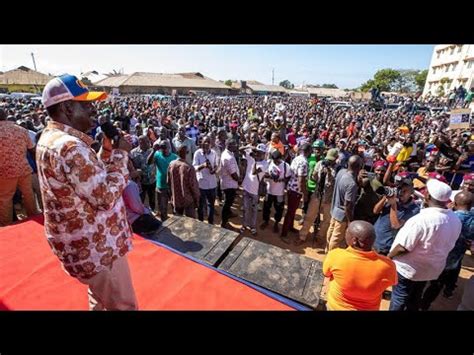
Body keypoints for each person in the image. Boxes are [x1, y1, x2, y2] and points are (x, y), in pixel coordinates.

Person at [36, 74, 137, 310]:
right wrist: (122, 154)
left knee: (99, 300)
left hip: (81, 246)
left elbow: (87, 181)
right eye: (87, 104)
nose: (94, 109)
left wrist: (106, 152)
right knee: (122, 306)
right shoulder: (70, 146)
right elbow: (104, 197)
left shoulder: (52, 138)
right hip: (98, 249)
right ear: (68, 107)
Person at [388, 179, 462, 311]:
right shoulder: (455, 219)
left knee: (400, 297)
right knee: (416, 296)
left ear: (427, 196)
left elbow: (403, 247)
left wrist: (389, 257)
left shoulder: (420, 220)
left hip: (408, 269)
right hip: (431, 269)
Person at [323, 221, 397, 310]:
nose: (345, 234)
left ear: (354, 240)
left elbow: (326, 273)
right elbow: (393, 282)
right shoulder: (388, 265)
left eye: (347, 232)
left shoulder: (336, 256)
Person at [419, 191, 474, 309]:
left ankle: (416, 302)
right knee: (437, 285)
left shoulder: (449, 218)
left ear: (454, 203)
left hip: (436, 257)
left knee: (422, 282)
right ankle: (424, 305)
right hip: (453, 261)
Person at [0, 108, 39, 226]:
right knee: (28, 196)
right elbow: (32, 149)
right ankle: (34, 221)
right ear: (6, 115)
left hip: (5, 171)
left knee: (5, 199)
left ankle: (7, 227)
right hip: (24, 169)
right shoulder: (21, 130)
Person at [296, 148, 338, 245]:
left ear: (336, 159)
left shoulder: (338, 168)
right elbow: (314, 178)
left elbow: (335, 182)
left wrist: (328, 171)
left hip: (329, 198)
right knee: (309, 216)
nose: (329, 161)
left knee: (327, 220)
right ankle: (302, 236)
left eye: (332, 160)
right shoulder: (320, 164)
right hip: (317, 195)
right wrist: (315, 172)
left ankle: (320, 236)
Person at [325, 155, 363, 253]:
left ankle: (327, 248)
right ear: (359, 167)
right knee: (337, 237)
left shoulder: (341, 172)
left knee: (331, 229)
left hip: (334, 208)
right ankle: (331, 254)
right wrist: (350, 220)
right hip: (342, 214)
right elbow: (348, 205)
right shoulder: (351, 184)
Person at [373, 179, 420, 255]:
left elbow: (395, 225)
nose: (401, 193)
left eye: (405, 191)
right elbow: (375, 211)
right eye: (400, 189)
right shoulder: (394, 199)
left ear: (411, 192)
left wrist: (393, 205)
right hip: (372, 239)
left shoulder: (414, 209)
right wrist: (385, 197)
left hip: (383, 247)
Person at [280, 143, 311, 243]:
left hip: (291, 187)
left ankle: (290, 227)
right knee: (290, 211)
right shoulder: (304, 162)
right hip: (296, 189)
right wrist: (305, 194)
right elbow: (301, 180)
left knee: (292, 210)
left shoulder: (296, 158)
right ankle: (284, 233)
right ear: (308, 151)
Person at [261, 150, 291, 234]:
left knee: (279, 209)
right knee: (266, 207)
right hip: (269, 190)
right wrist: (269, 177)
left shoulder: (286, 166)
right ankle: (266, 221)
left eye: (277, 160)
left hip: (279, 192)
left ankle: (276, 223)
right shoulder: (269, 163)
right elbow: (265, 174)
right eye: (274, 160)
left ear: (280, 158)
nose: (275, 162)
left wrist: (281, 180)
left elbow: (288, 177)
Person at [123, 169, 162, 234]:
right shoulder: (129, 185)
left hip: (127, 221)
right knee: (161, 229)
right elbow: (137, 207)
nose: (138, 171)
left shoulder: (114, 183)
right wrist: (146, 211)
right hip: (135, 219)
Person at [240, 143, 268, 235]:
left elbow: (253, 172)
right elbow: (240, 149)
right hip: (246, 187)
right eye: (258, 152)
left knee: (254, 210)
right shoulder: (251, 157)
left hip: (255, 191)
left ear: (264, 154)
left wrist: (255, 160)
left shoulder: (264, 163)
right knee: (245, 208)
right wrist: (249, 147)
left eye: (261, 153)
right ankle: (244, 225)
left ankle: (252, 226)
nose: (259, 154)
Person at [148, 140, 177, 221]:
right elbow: (148, 162)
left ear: (169, 147)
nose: (164, 149)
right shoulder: (157, 155)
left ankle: (176, 223)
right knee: (162, 208)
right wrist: (153, 150)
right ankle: (164, 225)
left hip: (172, 186)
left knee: (175, 207)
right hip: (161, 185)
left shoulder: (175, 157)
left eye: (166, 147)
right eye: (162, 147)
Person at [167, 145, 200, 218]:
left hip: (176, 198)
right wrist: (196, 199)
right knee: (191, 221)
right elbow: (193, 186)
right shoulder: (189, 167)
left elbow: (168, 182)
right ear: (187, 153)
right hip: (188, 199)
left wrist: (172, 195)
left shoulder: (171, 164)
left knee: (178, 220)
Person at [193, 136, 219, 224]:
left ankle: (210, 223)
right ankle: (200, 223)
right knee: (200, 206)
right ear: (201, 143)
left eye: (208, 142)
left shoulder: (214, 153)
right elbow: (194, 167)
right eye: (205, 142)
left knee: (211, 205)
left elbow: (216, 165)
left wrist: (214, 169)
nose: (206, 144)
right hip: (201, 184)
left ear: (211, 144)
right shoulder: (197, 153)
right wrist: (203, 166)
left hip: (212, 184)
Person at [301, 139, 325, 224]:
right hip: (308, 185)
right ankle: (303, 217)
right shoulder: (309, 157)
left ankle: (315, 220)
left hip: (317, 187)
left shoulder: (325, 161)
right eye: (315, 148)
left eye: (319, 148)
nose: (317, 150)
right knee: (305, 203)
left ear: (323, 150)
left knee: (316, 205)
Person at [130, 135, 156, 210]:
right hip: (141, 181)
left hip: (152, 179)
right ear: (140, 143)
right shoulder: (133, 153)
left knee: (152, 199)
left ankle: (153, 211)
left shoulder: (152, 151)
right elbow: (133, 166)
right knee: (141, 199)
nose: (148, 143)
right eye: (146, 142)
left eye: (148, 141)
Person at [220, 139, 240, 229]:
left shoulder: (228, 153)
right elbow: (233, 174)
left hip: (228, 182)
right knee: (228, 202)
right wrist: (240, 181)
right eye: (234, 145)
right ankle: (224, 222)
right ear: (230, 145)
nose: (236, 146)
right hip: (229, 184)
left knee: (229, 201)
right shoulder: (228, 157)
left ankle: (229, 213)